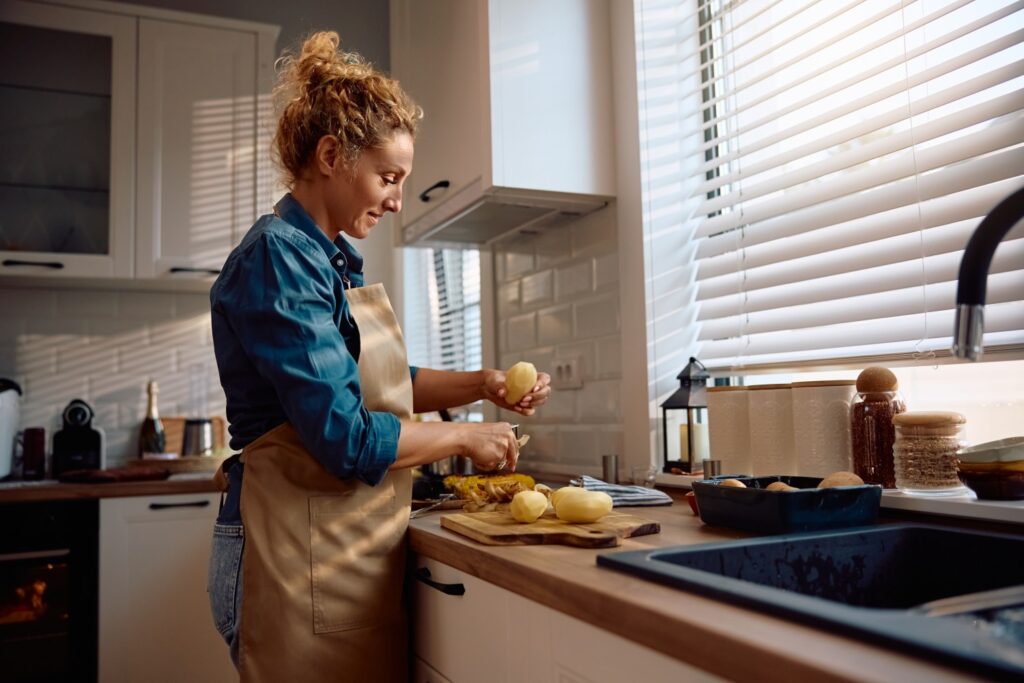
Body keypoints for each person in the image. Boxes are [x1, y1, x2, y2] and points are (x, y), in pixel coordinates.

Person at [206, 31, 551, 682]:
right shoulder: (279, 259)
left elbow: (383, 383)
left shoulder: (322, 260)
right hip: (286, 554)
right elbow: (345, 436)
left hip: (324, 551)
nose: (396, 199)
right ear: (332, 155)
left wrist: (483, 384)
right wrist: (465, 435)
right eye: (388, 177)